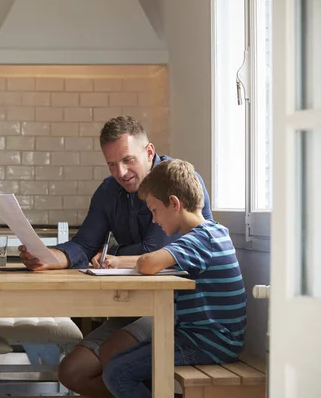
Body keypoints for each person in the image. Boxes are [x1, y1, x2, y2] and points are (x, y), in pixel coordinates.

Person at [17, 116, 214, 397]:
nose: (120, 172)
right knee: (72, 372)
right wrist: (47, 257)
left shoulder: (179, 183)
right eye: (112, 164)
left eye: (128, 160)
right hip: (134, 309)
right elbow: (84, 244)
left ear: (149, 152)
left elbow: (153, 253)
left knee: (114, 359)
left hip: (177, 311)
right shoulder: (108, 191)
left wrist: (112, 255)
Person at [101, 159, 247, 398]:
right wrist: (121, 261)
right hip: (207, 338)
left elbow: (148, 264)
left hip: (208, 343)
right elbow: (154, 260)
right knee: (118, 362)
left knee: (117, 372)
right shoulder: (211, 232)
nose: (154, 220)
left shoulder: (200, 239)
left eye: (155, 210)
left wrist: (131, 261)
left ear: (174, 203)